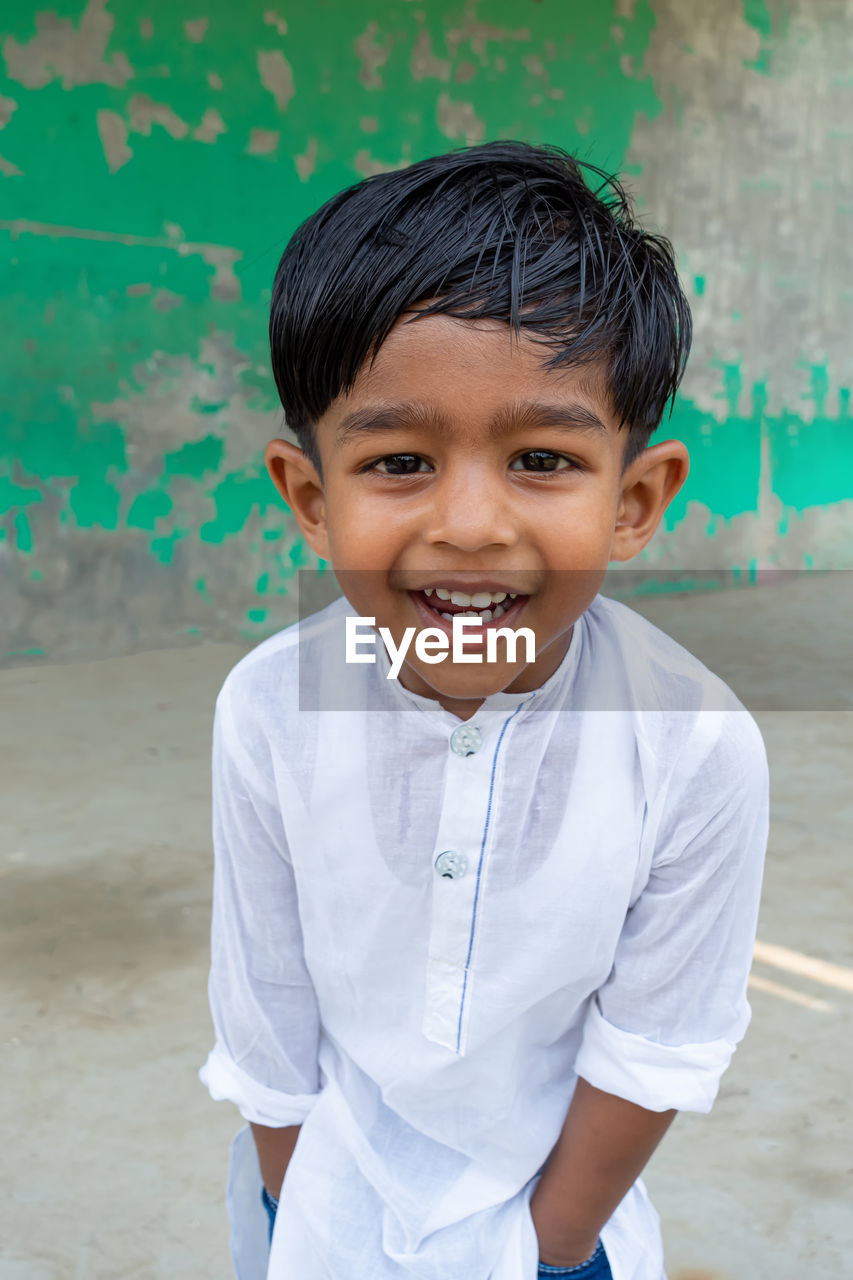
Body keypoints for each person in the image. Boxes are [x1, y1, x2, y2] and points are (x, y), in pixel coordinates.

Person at [198, 139, 769, 1280]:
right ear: (311, 498)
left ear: (634, 498)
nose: (468, 522)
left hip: (558, 1224)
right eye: (400, 461)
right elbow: (268, 1016)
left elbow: (652, 1046)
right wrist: (300, 1209)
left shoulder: (696, 747)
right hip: (317, 1201)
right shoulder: (269, 707)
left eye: (544, 458)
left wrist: (541, 1251)